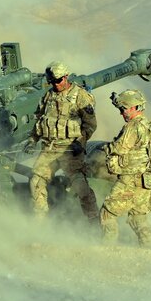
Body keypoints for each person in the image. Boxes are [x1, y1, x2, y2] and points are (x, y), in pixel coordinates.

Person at [25, 61, 98, 221]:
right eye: (52, 82)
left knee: (80, 187)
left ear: (66, 77)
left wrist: (81, 142)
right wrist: (32, 140)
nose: (55, 84)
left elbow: (90, 124)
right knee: (36, 180)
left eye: (58, 81)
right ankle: (40, 220)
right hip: (50, 148)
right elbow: (39, 120)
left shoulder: (80, 96)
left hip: (70, 149)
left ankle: (93, 219)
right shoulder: (48, 96)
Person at [99, 89, 151, 247]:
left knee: (107, 213)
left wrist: (104, 147)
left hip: (130, 180)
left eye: (123, 109)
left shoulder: (133, 127)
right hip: (145, 181)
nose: (121, 113)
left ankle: (107, 250)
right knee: (138, 219)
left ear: (134, 107)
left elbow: (118, 148)